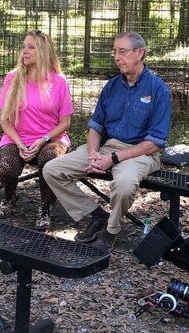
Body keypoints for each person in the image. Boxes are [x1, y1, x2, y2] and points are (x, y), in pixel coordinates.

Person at [43, 31, 171, 252]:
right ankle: (96, 215)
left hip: (140, 152)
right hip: (106, 146)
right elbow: (96, 126)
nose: (117, 57)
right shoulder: (111, 86)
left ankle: (111, 231)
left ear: (139, 53)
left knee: (123, 185)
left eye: (122, 51)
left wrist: (113, 158)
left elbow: (155, 142)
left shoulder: (158, 89)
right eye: (115, 52)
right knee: (52, 169)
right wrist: (93, 153)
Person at [0, 30, 73, 230]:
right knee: (7, 170)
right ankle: (10, 197)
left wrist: (44, 139)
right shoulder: (13, 78)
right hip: (17, 138)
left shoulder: (59, 82)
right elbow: (4, 120)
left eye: (31, 47)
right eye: (24, 47)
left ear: (44, 52)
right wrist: (20, 144)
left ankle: (45, 207)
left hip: (52, 139)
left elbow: (65, 122)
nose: (25, 51)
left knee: (49, 163)